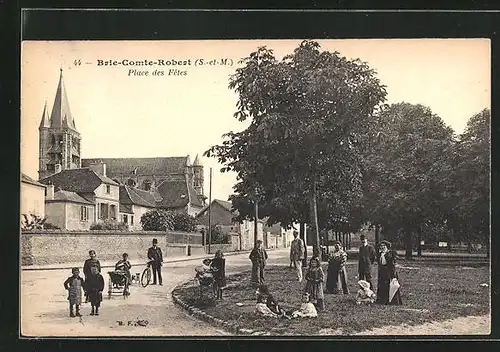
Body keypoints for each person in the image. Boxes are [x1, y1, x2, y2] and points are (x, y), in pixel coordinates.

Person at [376, 240, 402, 305]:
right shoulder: (380, 254)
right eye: (381, 246)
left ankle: (390, 301)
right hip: (382, 272)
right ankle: (381, 300)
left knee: (389, 286)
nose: (382, 247)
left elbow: (392, 265)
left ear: (387, 247)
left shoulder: (390, 254)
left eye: (384, 246)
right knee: (381, 286)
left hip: (389, 272)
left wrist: (393, 275)